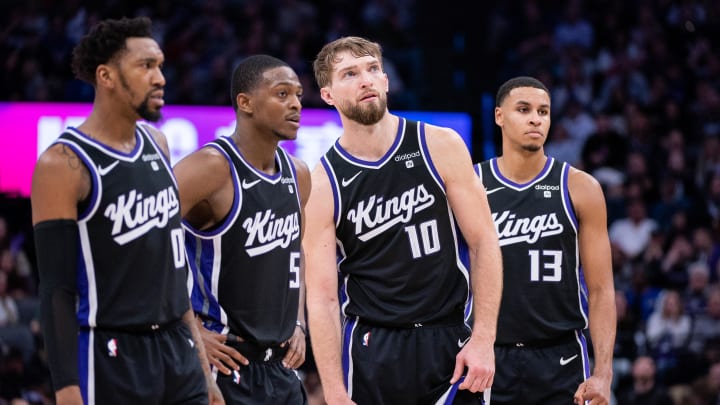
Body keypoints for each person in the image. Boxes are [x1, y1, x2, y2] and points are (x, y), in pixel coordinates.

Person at [30, 16, 223, 405]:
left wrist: (203, 368)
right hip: (112, 352)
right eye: (145, 66)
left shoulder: (158, 143)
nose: (160, 78)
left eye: (161, 66)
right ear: (106, 76)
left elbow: (173, 269)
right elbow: (56, 291)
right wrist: (67, 390)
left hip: (178, 348)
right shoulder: (64, 164)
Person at [303, 36, 503, 405]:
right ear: (328, 95)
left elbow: (484, 241)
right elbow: (322, 298)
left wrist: (483, 339)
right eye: (349, 73)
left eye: (373, 69)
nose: (366, 79)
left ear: (386, 81)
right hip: (372, 347)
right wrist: (332, 390)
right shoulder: (322, 182)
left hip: (450, 338)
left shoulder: (439, 144)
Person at [173, 54, 310, 404]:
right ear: (245, 102)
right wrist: (187, 330)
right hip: (220, 363)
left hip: (280, 371)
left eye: (298, 95)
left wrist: (297, 322)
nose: (295, 103)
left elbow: (296, 256)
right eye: (282, 94)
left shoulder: (298, 174)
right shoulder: (209, 167)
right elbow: (144, 246)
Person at [475, 76, 615, 404]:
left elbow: (601, 290)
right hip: (491, 356)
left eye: (543, 111)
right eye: (523, 109)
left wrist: (604, 372)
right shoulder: (472, 184)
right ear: (499, 117)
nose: (536, 118)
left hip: (562, 356)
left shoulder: (581, 188)